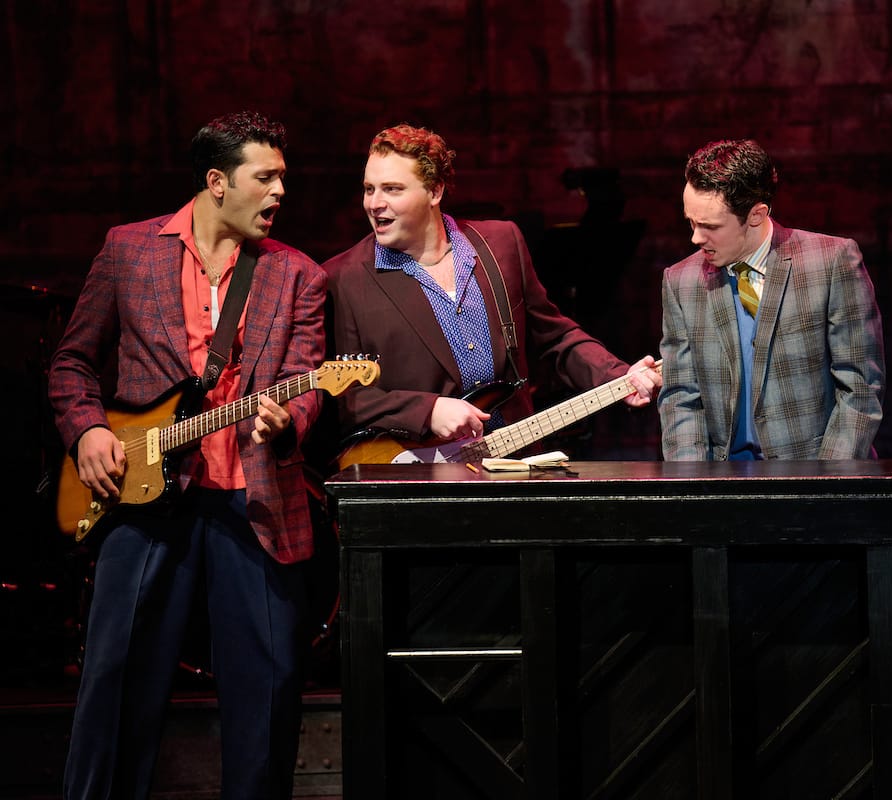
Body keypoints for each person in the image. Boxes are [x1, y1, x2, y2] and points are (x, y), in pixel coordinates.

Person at [48, 111, 327, 799]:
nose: (279, 192)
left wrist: (286, 420)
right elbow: (72, 364)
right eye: (264, 178)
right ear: (216, 182)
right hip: (142, 504)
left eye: (282, 179)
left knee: (265, 698)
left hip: (253, 502)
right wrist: (87, 431)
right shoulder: (127, 251)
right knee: (115, 689)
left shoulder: (298, 276)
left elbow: (310, 380)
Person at [321, 123, 659, 459]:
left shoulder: (499, 244)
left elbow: (554, 337)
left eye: (392, 189)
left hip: (514, 458)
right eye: (369, 189)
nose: (374, 203)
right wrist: (427, 410)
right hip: (420, 472)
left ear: (435, 191)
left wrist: (617, 375)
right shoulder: (344, 278)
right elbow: (342, 396)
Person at [658, 138, 886, 461]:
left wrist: (826, 485)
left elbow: (860, 388)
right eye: (691, 222)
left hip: (813, 475)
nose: (695, 237)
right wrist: (692, 488)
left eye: (709, 226)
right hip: (723, 484)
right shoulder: (680, 282)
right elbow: (681, 397)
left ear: (756, 214)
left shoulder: (831, 262)